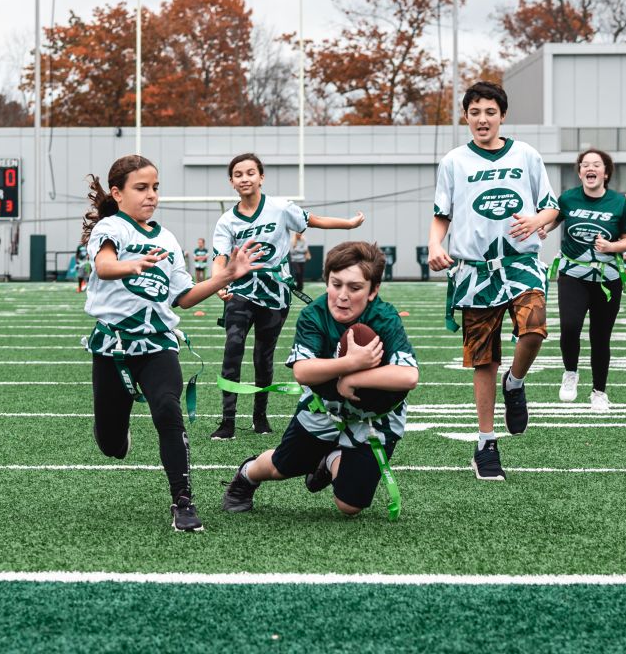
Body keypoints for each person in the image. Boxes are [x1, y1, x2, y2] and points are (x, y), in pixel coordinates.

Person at [81, 153, 264, 533]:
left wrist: (226, 276)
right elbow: (103, 264)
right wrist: (129, 265)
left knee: (168, 411)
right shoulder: (111, 227)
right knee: (112, 446)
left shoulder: (165, 238)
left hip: (157, 343)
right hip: (113, 347)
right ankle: (113, 433)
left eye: (155, 187)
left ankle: (183, 501)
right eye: (141, 188)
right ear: (117, 193)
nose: (151, 195)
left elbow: (184, 296)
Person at [220, 241, 418, 517]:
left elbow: (408, 376)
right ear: (326, 282)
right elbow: (302, 371)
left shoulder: (384, 318)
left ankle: (331, 458)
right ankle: (246, 476)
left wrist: (354, 378)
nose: (343, 295)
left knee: (350, 506)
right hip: (326, 408)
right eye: (336, 284)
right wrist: (350, 363)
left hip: (375, 417)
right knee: (281, 467)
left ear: (373, 291)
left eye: (355, 287)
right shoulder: (315, 315)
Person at [427, 80, 558, 481]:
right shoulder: (453, 161)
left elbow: (551, 208)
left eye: (490, 112)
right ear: (465, 116)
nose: (482, 119)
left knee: (534, 330)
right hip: (473, 271)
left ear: (502, 116)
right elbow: (441, 214)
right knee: (483, 360)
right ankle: (486, 443)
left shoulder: (527, 155)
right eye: (475, 112)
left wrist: (538, 220)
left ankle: (515, 383)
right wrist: (435, 245)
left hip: (520, 262)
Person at [209, 153, 365, 441]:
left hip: (275, 293)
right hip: (242, 291)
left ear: (261, 177)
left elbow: (313, 220)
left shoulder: (280, 208)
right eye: (239, 174)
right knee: (233, 348)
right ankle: (227, 421)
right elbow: (219, 256)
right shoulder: (226, 220)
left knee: (263, 357)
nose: (245, 178)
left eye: (250, 172)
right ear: (231, 182)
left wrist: (349, 225)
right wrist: (218, 281)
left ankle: (260, 416)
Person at [543, 148, 626, 412]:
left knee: (600, 336)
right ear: (580, 172)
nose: (590, 168)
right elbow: (552, 219)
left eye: (596, 164)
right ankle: (570, 372)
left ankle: (599, 391)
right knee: (569, 326)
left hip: (608, 279)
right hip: (573, 274)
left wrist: (611, 247)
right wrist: (541, 228)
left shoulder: (619, 202)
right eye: (585, 165)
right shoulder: (568, 198)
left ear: (606, 172)